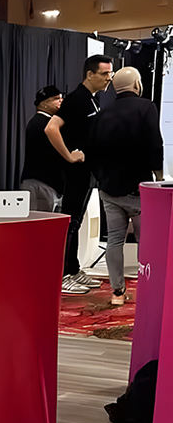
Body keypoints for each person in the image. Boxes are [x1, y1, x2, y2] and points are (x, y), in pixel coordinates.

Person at [88, 66, 164, 306]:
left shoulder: (102, 113)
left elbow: (92, 151)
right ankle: (149, 290)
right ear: (137, 85)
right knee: (146, 242)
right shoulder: (146, 107)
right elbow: (155, 143)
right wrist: (158, 177)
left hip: (109, 189)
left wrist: (101, 179)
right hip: (138, 189)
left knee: (114, 240)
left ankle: (117, 292)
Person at [45, 55, 114, 294]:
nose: (108, 78)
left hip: (86, 173)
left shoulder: (92, 99)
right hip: (73, 173)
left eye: (110, 74)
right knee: (70, 222)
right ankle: (64, 274)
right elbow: (51, 128)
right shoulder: (77, 99)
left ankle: (73, 269)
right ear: (89, 74)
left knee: (76, 221)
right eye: (104, 74)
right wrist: (68, 155)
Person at [20, 85, 66, 213]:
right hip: (41, 184)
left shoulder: (41, 122)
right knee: (40, 221)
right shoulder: (43, 123)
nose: (61, 101)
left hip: (44, 183)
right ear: (44, 103)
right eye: (56, 98)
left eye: (61, 98)